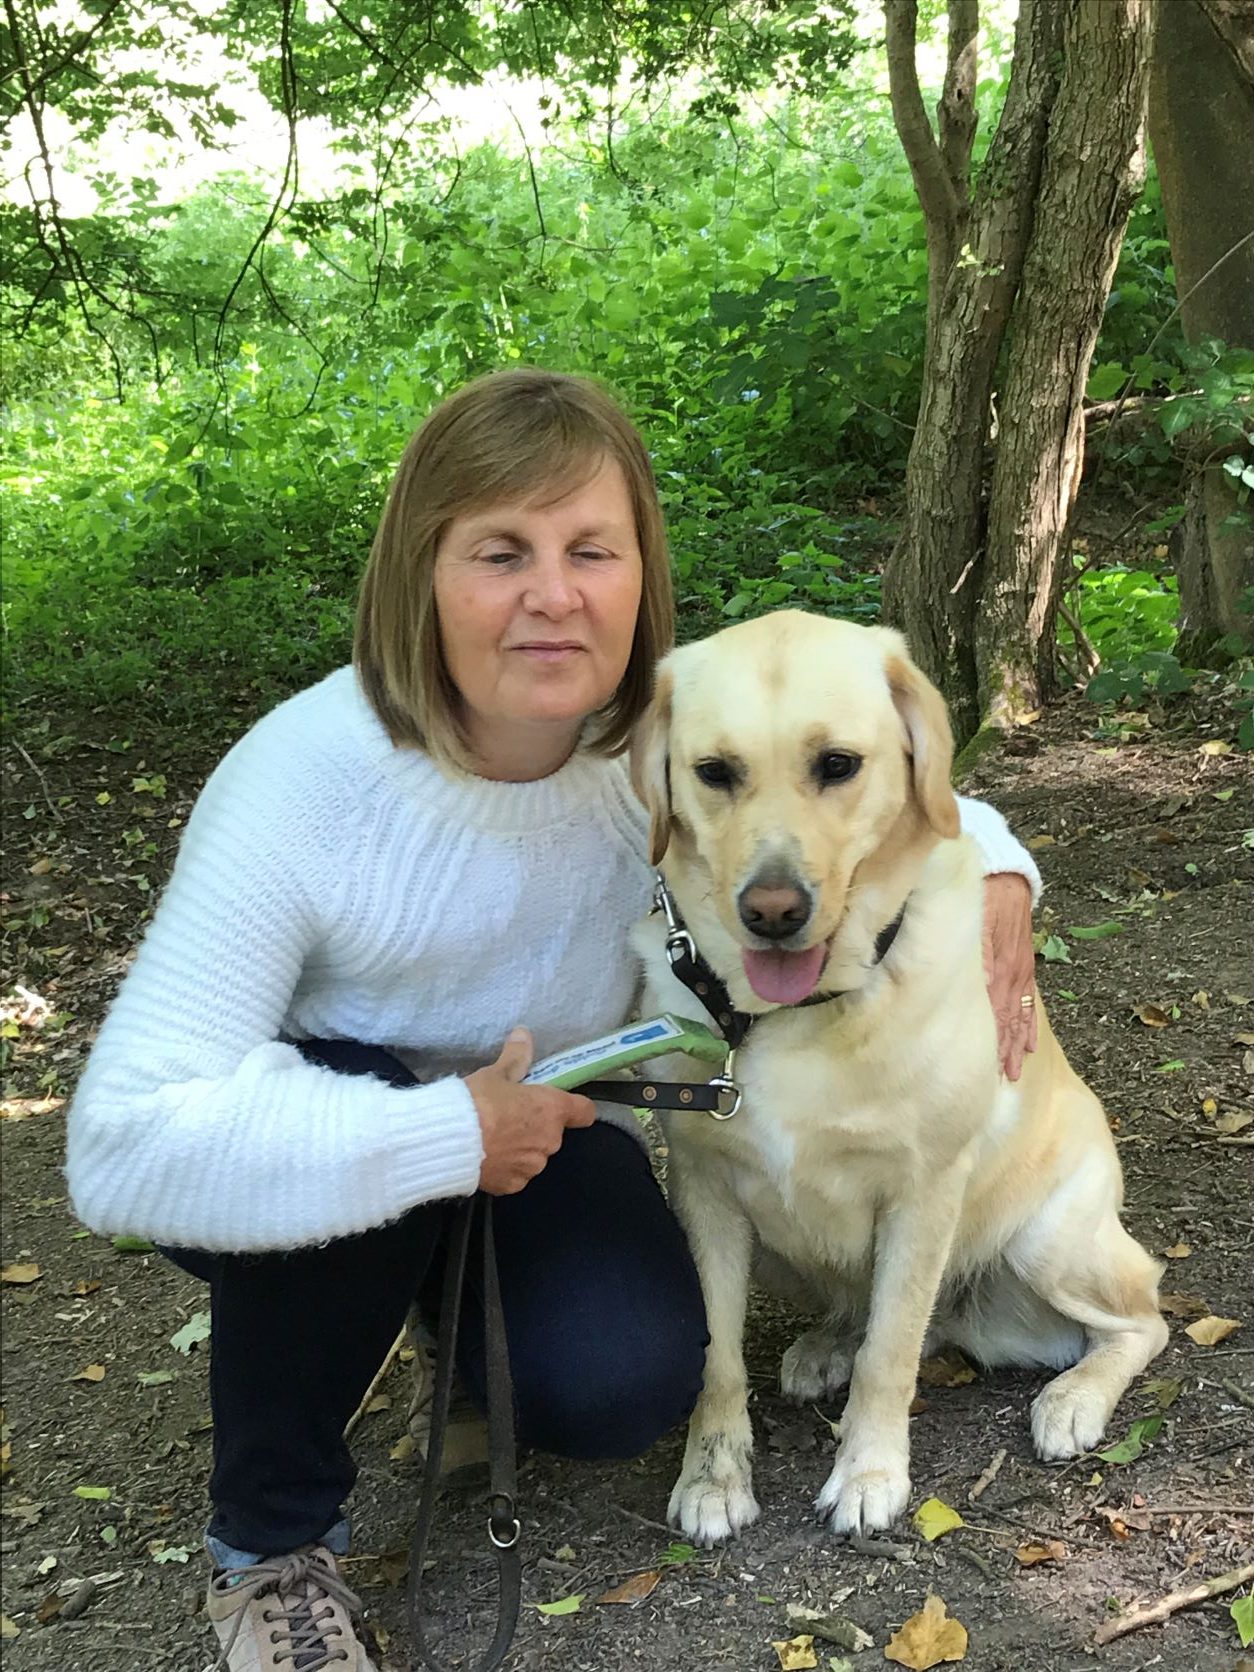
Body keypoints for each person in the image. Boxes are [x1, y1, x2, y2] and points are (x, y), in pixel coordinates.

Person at [66, 369, 1042, 1672]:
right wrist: (437, 1136)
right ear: (421, 575)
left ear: (642, 573)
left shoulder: (656, 748)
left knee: (620, 1382)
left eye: (591, 549)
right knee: (363, 1144)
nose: (552, 594)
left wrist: (999, 868)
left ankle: (461, 1338)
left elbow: (836, 781)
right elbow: (118, 1146)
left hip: (538, 1136)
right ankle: (270, 1545)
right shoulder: (301, 782)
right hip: (318, 1155)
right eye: (499, 553)